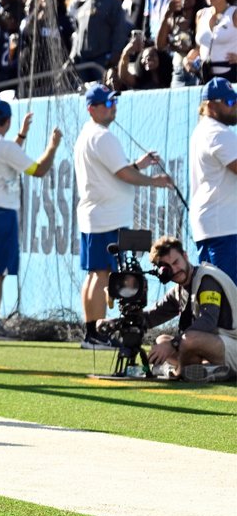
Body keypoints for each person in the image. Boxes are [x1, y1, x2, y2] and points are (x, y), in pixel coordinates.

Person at [73, 83, 173, 350]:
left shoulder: (90, 134)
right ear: (91, 109)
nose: (112, 107)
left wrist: (140, 164)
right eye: (107, 104)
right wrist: (156, 181)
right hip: (106, 217)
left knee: (96, 274)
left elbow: (119, 170)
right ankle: (95, 334)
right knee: (101, 275)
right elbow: (123, 175)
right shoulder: (102, 136)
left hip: (98, 214)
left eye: (114, 102)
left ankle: (92, 332)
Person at [0, 100, 63, 340]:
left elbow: (7, 156)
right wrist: (52, 147)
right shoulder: (5, 147)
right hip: (0, 211)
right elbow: (37, 170)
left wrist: (22, 134)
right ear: (7, 121)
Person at [100, 237, 236, 383]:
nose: (175, 269)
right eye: (167, 267)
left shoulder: (207, 279)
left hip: (232, 344)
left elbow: (208, 321)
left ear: (185, 256)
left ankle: (175, 370)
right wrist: (115, 323)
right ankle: (208, 370)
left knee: (186, 340)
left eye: (176, 262)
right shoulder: (178, 290)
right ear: (161, 272)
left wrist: (173, 344)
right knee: (162, 340)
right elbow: (152, 317)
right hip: (216, 346)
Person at [188, 78, 237, 280]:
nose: (235, 107)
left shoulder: (205, 130)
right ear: (210, 105)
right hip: (223, 228)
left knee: (214, 296)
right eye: (230, 103)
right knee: (226, 295)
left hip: (215, 226)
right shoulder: (217, 132)